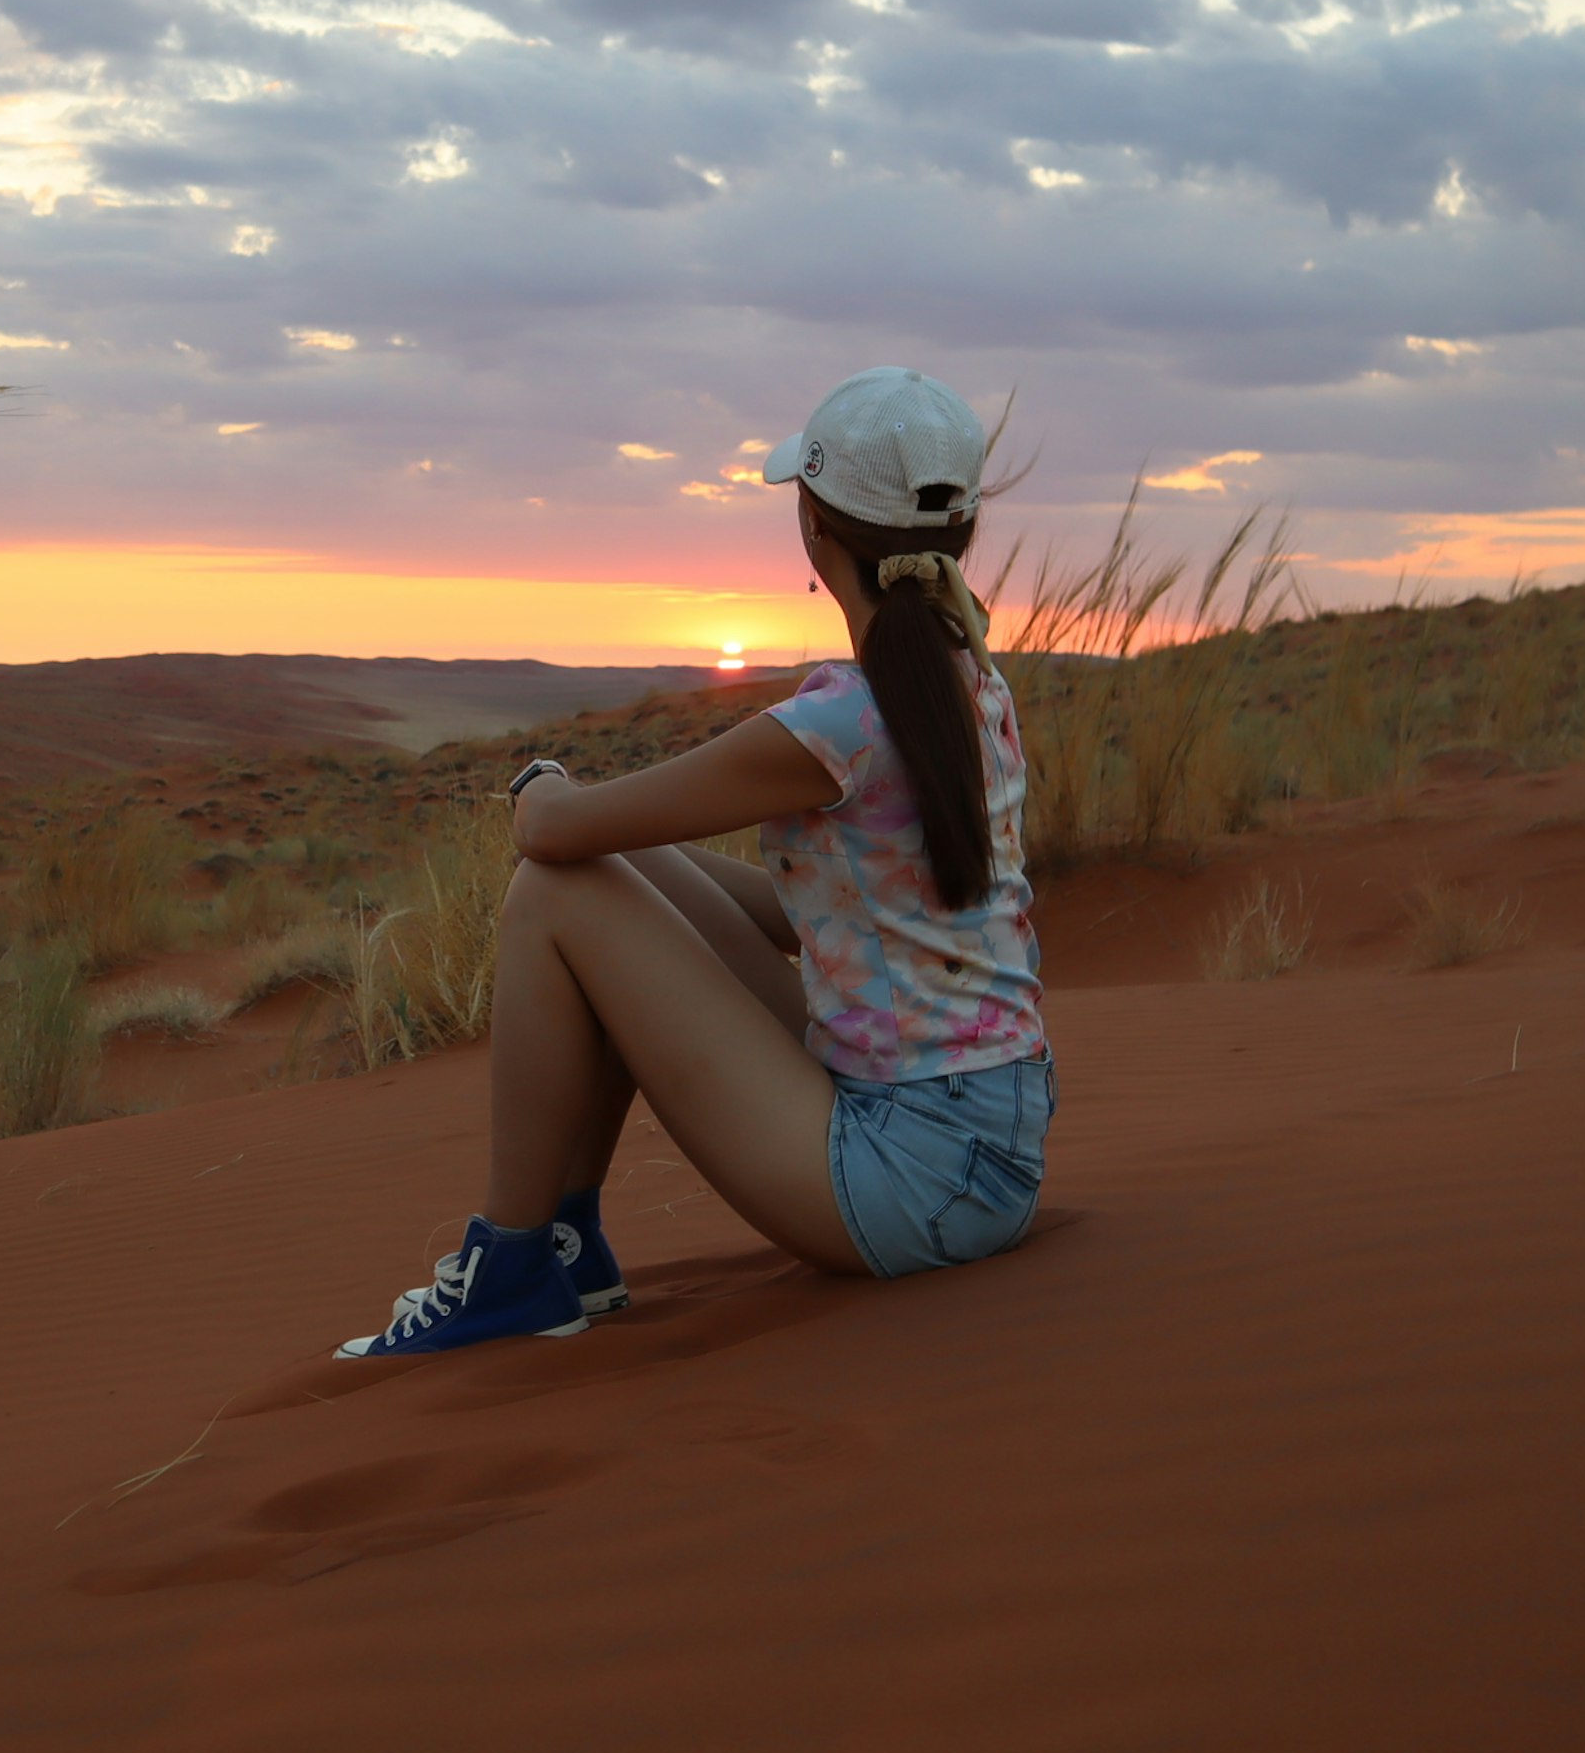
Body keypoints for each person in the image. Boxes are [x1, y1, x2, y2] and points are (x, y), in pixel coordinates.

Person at [339, 366, 1054, 1358]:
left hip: (908, 1180)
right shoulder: (971, 690)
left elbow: (552, 835)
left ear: (814, 526)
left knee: (555, 890)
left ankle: (509, 1265)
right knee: (623, 873)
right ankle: (568, 1245)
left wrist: (543, 781)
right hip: (987, 1151)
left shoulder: (839, 722)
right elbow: (843, 912)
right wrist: (626, 861)